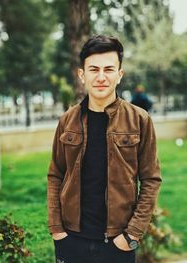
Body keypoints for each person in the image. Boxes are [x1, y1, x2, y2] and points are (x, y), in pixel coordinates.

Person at [47, 35, 162, 263]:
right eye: (93, 69)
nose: (101, 77)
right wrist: (57, 230)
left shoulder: (140, 120)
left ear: (120, 75)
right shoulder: (66, 121)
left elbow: (151, 179)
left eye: (109, 69)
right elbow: (55, 175)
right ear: (82, 75)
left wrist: (132, 235)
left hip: (118, 242)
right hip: (71, 240)